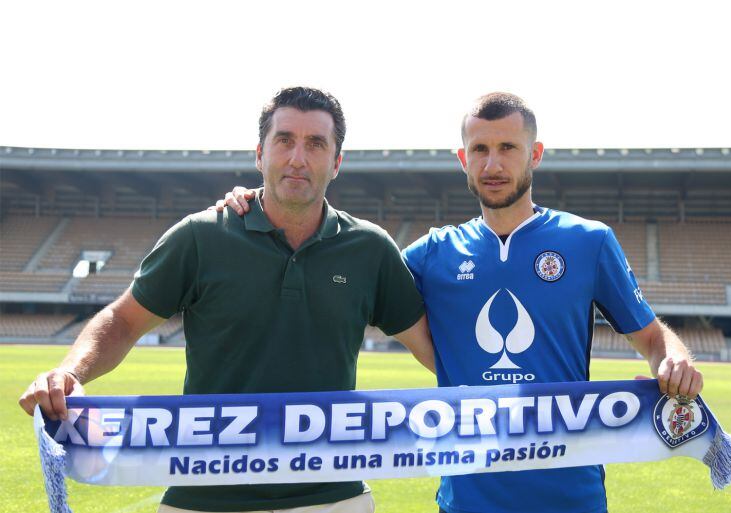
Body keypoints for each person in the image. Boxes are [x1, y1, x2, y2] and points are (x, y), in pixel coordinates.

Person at [216, 92, 703, 513]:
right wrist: (257, 202)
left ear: (534, 153)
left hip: (571, 493)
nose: (493, 165)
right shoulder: (432, 254)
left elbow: (652, 338)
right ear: (462, 158)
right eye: (480, 150)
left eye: (507, 148)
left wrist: (675, 358)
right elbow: (337, 275)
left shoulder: (589, 242)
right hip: (468, 496)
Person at [19, 86, 435, 513]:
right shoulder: (201, 237)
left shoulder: (370, 249)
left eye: (316, 144)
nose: (298, 157)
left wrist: (507, 409)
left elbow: (434, 350)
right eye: (284, 140)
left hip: (332, 496)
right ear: (260, 154)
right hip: (203, 494)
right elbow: (124, 321)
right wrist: (68, 373)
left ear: (337, 162)